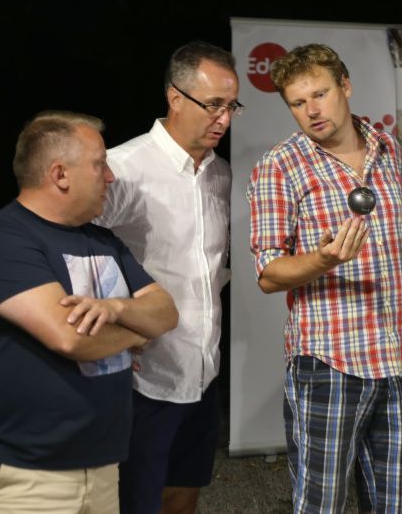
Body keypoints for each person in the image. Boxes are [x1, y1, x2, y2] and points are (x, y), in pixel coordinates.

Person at [247, 43, 402, 513]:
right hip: (328, 365)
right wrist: (322, 260)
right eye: (298, 103)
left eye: (320, 94)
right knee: (321, 506)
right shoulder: (280, 166)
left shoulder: (390, 151)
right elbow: (268, 273)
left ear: (346, 86)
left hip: (398, 361)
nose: (311, 111)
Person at [0, 111, 178, 514]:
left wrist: (115, 308)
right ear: (60, 174)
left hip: (102, 469)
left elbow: (165, 311)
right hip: (23, 481)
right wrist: (136, 331)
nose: (110, 177)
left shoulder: (104, 241)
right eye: (99, 164)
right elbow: (71, 338)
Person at [96, 41, 241, 514]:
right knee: (135, 500)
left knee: (184, 491)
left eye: (232, 106)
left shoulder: (221, 174)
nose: (224, 119)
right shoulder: (123, 168)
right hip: (142, 379)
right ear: (175, 97)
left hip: (202, 369)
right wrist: (112, 331)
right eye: (213, 105)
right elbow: (75, 254)